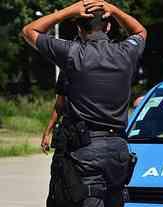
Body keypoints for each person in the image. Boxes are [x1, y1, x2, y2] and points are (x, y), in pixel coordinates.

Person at [22, 0, 147, 206]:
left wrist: (68, 11)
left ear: (79, 29)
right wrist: (114, 9)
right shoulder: (126, 52)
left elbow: (29, 30)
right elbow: (140, 31)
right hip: (118, 149)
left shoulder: (72, 52)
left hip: (86, 150)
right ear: (108, 26)